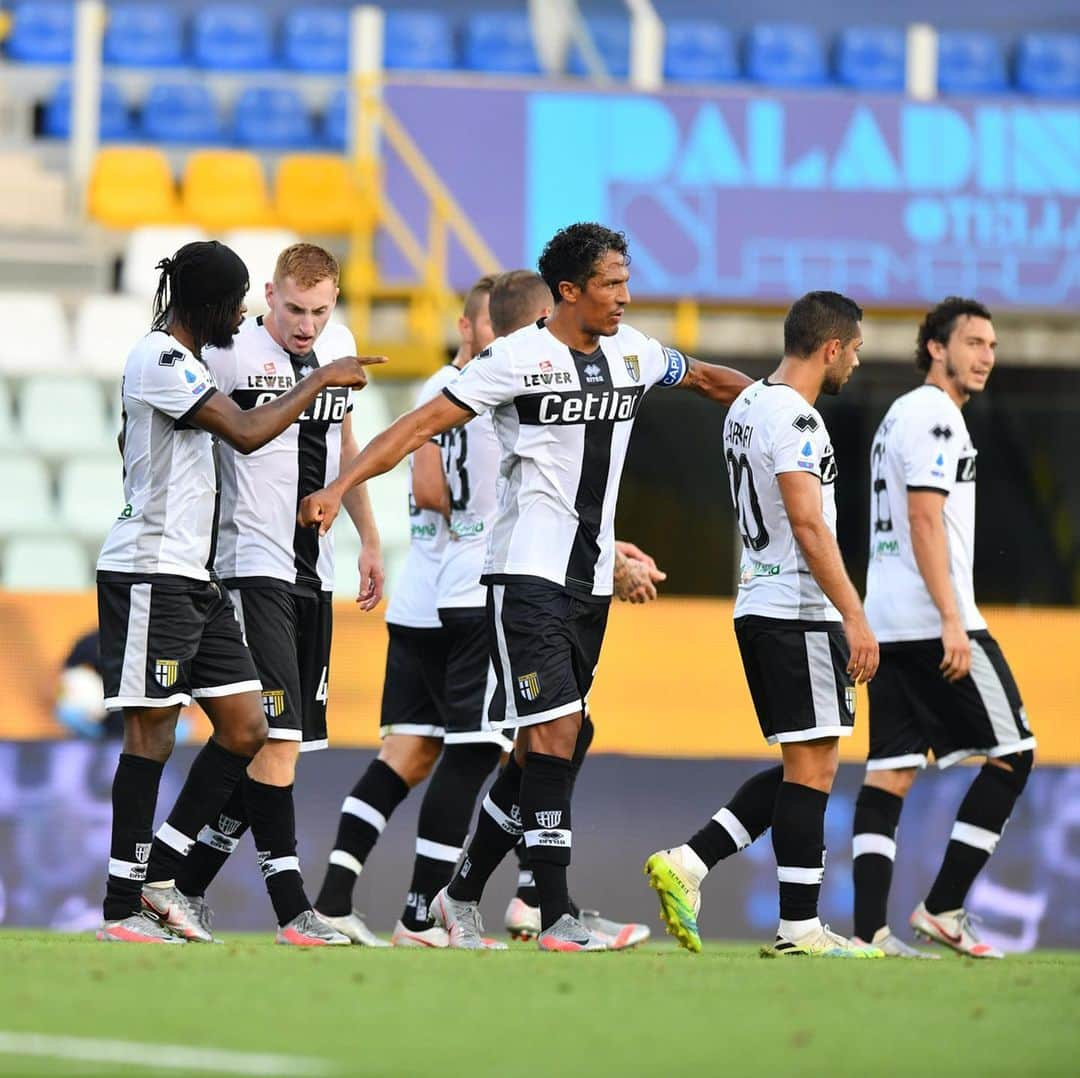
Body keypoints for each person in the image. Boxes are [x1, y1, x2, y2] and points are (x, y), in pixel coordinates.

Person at [300, 222, 751, 951]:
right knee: (556, 731)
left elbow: (704, 379)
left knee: (558, 740)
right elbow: (419, 426)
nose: (624, 296)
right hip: (525, 574)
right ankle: (559, 913)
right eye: (609, 284)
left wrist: (774, 409)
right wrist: (341, 484)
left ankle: (463, 893)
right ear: (568, 292)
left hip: (589, 581)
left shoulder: (634, 352)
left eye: (625, 281)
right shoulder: (516, 360)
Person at [94, 240, 379, 943]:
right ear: (209, 305)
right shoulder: (157, 359)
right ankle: (122, 905)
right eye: (237, 302)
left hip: (198, 576)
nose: (245, 312)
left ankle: (160, 874)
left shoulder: (187, 362)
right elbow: (249, 433)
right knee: (151, 730)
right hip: (150, 568)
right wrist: (319, 380)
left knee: (249, 726)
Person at [645, 291, 883, 959]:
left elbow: (724, 384)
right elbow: (808, 523)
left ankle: (689, 864)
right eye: (855, 350)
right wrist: (855, 614)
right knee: (815, 768)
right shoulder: (800, 422)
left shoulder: (752, 406)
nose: (857, 363)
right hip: (799, 611)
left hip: (757, 603)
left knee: (803, 765)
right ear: (831, 347)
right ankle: (800, 929)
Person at [311, 275, 499, 945]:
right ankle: (439, 909)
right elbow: (426, 488)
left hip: (426, 592)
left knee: (411, 754)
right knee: (496, 748)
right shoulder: (448, 393)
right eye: (487, 325)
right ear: (470, 328)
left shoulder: (468, 392)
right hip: (451, 593)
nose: (490, 336)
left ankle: (335, 896)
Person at [852, 297, 1036, 959]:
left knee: (891, 774)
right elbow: (925, 520)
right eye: (974, 342)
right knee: (1015, 755)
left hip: (890, 618)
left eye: (992, 345)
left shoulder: (903, 414)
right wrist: (953, 619)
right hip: (935, 619)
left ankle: (870, 932)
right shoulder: (934, 417)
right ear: (936, 346)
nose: (986, 355)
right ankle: (945, 907)